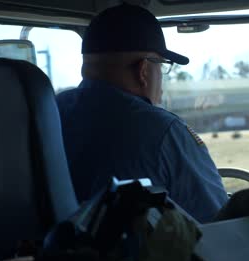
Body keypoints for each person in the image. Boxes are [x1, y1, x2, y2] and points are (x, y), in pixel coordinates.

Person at [56, 3, 228, 223]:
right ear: (144, 70)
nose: (163, 82)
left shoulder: (53, 112)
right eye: (163, 66)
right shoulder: (163, 131)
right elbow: (220, 222)